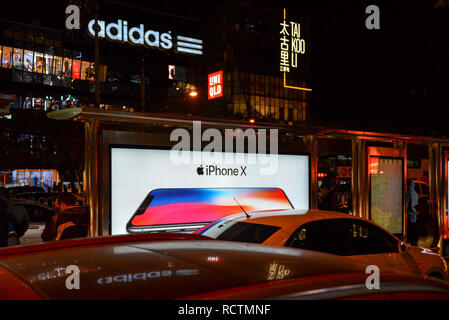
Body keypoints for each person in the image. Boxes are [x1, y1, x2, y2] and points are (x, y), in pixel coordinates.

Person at [407, 178, 419, 245]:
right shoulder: (415, 193)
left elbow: (406, 204)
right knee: (413, 231)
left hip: (409, 215)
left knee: (410, 232)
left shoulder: (408, 192)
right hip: (414, 215)